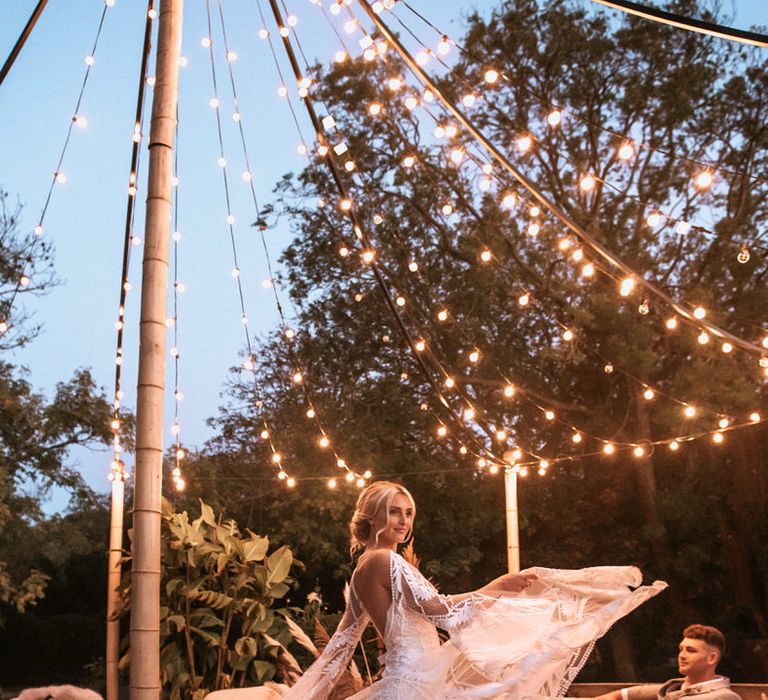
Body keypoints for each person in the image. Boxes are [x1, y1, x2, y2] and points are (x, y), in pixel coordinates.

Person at [275, 480, 667, 699]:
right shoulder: (386, 561)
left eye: (408, 513)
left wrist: (494, 586)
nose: (403, 520)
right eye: (394, 511)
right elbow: (444, 614)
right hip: (417, 686)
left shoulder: (365, 564)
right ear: (372, 513)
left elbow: (341, 643)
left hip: (408, 683)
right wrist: (499, 596)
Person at [592, 625, 740, 700]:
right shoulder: (674, 688)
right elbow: (620, 695)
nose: (682, 655)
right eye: (681, 649)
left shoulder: (722, 697)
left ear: (711, 658)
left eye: (691, 650)